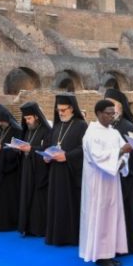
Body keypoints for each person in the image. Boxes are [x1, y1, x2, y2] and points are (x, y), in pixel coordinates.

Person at [79, 100, 130, 266]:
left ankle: (109, 253)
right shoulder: (91, 133)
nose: (111, 117)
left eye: (113, 113)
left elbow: (124, 151)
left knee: (111, 216)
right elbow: (97, 157)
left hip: (112, 181)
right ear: (99, 113)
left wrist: (122, 161)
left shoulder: (114, 133)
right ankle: (100, 255)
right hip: (98, 182)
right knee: (100, 216)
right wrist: (121, 152)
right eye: (108, 113)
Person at [45, 93, 88, 246]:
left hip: (71, 173)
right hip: (56, 171)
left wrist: (67, 156)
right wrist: (46, 156)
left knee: (68, 204)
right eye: (58, 110)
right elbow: (48, 145)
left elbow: (85, 148)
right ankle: (55, 236)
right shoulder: (57, 126)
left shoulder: (81, 126)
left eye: (63, 110)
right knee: (56, 203)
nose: (61, 113)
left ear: (72, 108)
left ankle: (70, 237)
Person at [104, 88, 133, 254]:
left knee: (126, 211)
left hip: (125, 177)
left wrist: (120, 164)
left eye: (112, 104)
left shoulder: (128, 126)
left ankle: (128, 246)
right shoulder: (106, 126)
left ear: (120, 106)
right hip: (108, 176)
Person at [16, 102, 52, 237]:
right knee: (26, 197)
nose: (27, 121)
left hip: (39, 171)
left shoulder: (47, 131)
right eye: (25, 119)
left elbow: (47, 150)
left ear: (37, 117)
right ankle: (26, 227)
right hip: (27, 169)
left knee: (37, 201)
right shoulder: (28, 131)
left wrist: (31, 149)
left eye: (29, 118)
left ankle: (38, 229)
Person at [0, 104, 22, 232]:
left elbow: (17, 150)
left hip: (10, 170)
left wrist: (1, 148)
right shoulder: (1, 129)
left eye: (1, 121)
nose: (0, 123)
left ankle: (9, 223)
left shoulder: (17, 130)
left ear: (6, 119)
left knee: (8, 197)